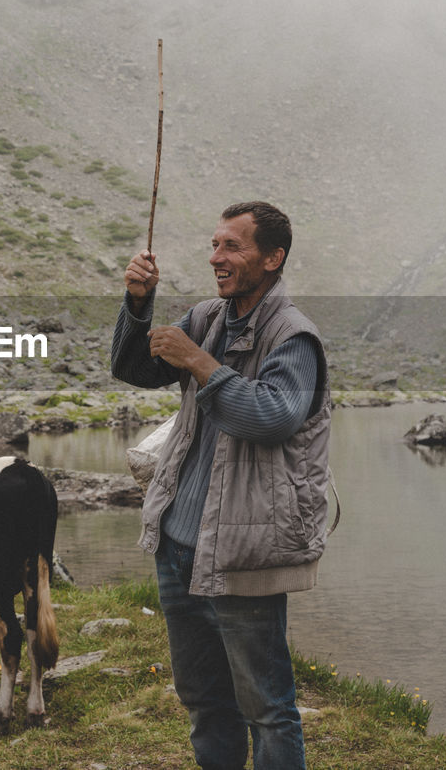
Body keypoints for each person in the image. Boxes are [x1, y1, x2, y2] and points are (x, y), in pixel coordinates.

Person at [111, 201, 332, 770]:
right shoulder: (208, 316)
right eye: (214, 245)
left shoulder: (294, 336)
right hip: (179, 544)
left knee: (266, 706)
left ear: (273, 257)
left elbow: (273, 418)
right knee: (206, 700)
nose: (216, 257)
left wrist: (201, 364)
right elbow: (137, 368)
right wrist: (139, 305)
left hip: (244, 551)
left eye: (232, 247)